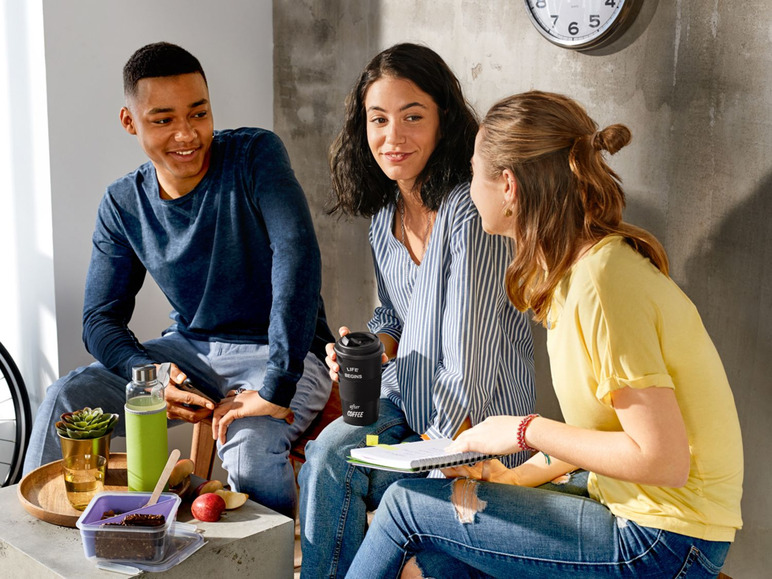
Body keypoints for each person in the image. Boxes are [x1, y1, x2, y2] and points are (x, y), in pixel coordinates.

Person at [346, 90, 744, 578]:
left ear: (508, 186)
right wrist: (512, 474)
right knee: (434, 557)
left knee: (405, 505)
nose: (469, 189)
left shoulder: (601, 282)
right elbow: (607, 432)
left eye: (474, 173)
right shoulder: (577, 273)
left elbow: (664, 461)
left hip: (663, 540)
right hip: (643, 517)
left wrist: (522, 429)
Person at [22, 42, 334, 519]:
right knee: (67, 395)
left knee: (248, 451)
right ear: (130, 122)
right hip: (191, 350)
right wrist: (149, 376)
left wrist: (276, 385)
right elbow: (99, 320)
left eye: (198, 113)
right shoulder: (124, 203)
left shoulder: (255, 154)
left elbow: (297, 257)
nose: (187, 134)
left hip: (285, 351)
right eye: (163, 119)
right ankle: (41, 548)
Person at [298, 44, 535, 578]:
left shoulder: (471, 213)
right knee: (326, 456)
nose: (393, 138)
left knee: (388, 508)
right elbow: (393, 316)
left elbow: (471, 362)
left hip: (475, 424)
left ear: (443, 120)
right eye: (378, 120)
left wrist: (432, 453)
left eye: (412, 117)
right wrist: (368, 350)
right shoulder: (384, 218)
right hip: (407, 403)